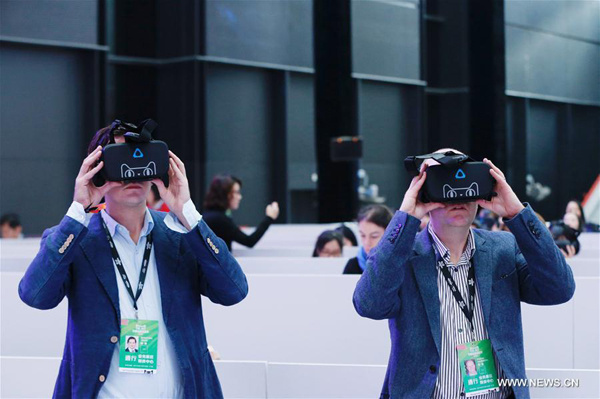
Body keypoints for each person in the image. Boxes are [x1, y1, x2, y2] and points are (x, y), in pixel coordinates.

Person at [19, 122, 248, 398]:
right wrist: (78, 210)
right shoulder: (75, 238)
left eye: (142, 154)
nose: (134, 168)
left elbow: (234, 291)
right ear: (98, 168)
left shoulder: (181, 234)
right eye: (121, 157)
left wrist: (187, 213)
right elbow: (35, 295)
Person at [353, 149, 575, 399]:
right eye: (445, 182)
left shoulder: (503, 248)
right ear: (425, 190)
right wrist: (405, 218)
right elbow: (369, 305)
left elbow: (560, 289)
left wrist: (516, 213)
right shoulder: (403, 255)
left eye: (465, 180)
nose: (457, 192)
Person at [203, 174, 279, 250]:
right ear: (225, 194)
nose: (239, 197)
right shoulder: (220, 219)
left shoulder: (211, 215)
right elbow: (249, 241)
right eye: (236, 192)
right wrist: (269, 218)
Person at [343, 205, 393, 274]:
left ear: (389, 234)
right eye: (363, 235)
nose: (367, 242)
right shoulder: (353, 265)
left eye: (374, 236)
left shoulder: (403, 265)